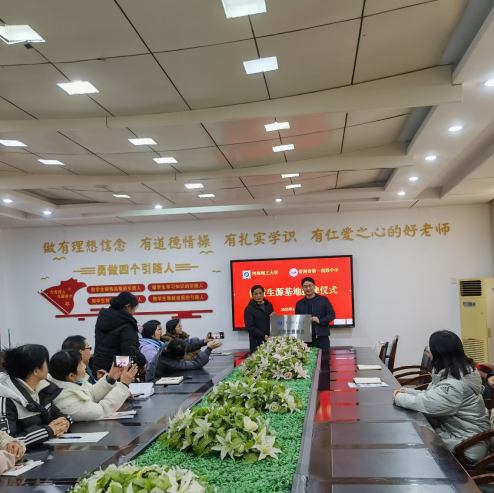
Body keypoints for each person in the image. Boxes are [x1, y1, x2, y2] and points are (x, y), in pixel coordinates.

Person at [393, 330, 490, 462]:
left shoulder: (454, 384)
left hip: (467, 446)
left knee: (413, 440)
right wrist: (406, 392)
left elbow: (428, 405)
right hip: (458, 434)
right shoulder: (456, 372)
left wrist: (399, 398)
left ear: (439, 353)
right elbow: (432, 396)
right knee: (415, 433)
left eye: (431, 350)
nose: (429, 353)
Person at [0, 345, 72, 448]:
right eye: (46, 361)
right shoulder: (6, 398)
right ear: (36, 371)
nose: (49, 366)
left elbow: (58, 414)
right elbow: (9, 442)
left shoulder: (42, 389)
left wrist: (64, 423)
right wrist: (49, 430)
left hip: (45, 451)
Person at [49, 350, 138, 422]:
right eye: (81, 365)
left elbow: (91, 394)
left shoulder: (71, 382)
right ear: (72, 376)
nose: (85, 366)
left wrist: (110, 379)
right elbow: (101, 410)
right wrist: (123, 385)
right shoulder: (65, 402)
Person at [93, 292, 146, 374]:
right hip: (115, 371)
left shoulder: (103, 319)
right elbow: (129, 352)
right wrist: (142, 361)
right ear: (128, 306)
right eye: (135, 307)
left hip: (98, 368)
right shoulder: (126, 325)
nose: (135, 310)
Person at [146, 339, 222, 381]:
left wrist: (203, 341)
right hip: (154, 382)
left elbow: (185, 344)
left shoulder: (168, 347)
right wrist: (209, 349)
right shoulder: (173, 364)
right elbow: (196, 364)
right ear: (179, 357)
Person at [295, 277, 335, 350]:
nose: (308, 288)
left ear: (314, 286)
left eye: (310, 286)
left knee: (324, 357)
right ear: (302, 288)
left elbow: (331, 315)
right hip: (306, 340)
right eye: (305, 286)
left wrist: (320, 320)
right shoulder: (299, 304)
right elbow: (298, 322)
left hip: (322, 338)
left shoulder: (323, 300)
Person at [244, 285, 275, 354]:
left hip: (270, 340)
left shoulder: (269, 305)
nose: (258, 295)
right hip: (256, 342)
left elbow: (272, 322)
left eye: (260, 293)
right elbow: (250, 327)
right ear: (252, 295)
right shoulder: (249, 309)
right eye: (256, 294)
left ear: (263, 294)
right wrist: (263, 335)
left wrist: (274, 317)